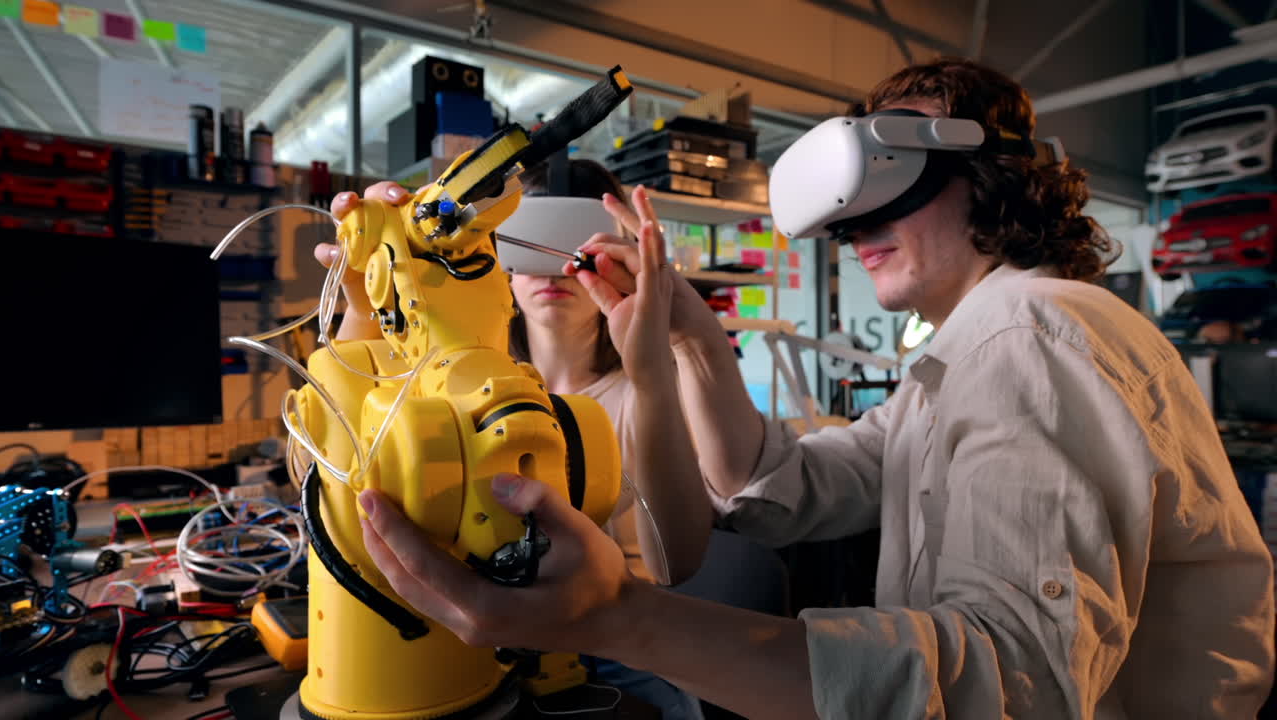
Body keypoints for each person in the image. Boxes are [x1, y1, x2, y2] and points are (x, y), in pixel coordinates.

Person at [355, 59, 1276, 718]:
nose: (853, 221)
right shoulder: (958, 362)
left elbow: (1014, 685)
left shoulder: (1032, 332)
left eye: (894, 175)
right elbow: (777, 488)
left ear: (989, 175)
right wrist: (691, 331)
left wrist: (621, 619)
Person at [318, 159, 712, 719]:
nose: (554, 269)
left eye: (581, 251)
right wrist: (364, 300)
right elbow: (344, 466)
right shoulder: (453, 387)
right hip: (474, 654)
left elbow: (677, 563)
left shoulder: (642, 395)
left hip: (615, 659)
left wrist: (651, 376)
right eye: (528, 245)